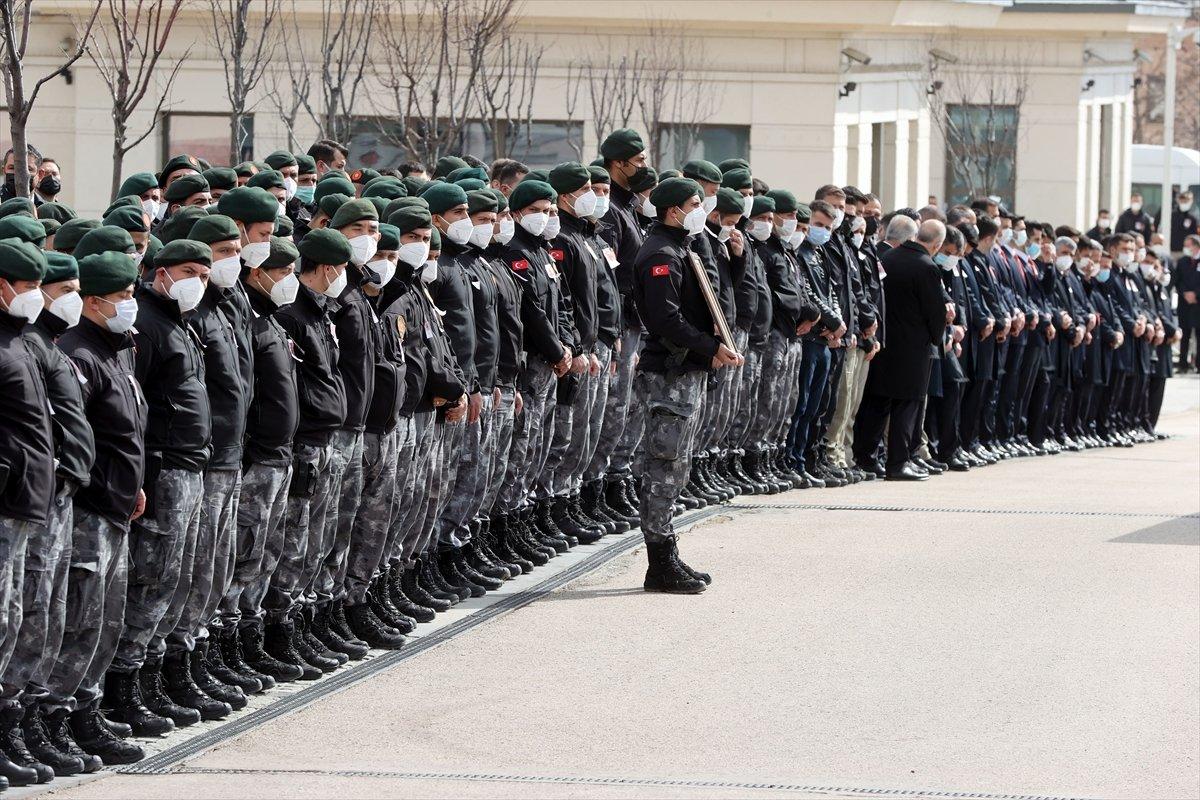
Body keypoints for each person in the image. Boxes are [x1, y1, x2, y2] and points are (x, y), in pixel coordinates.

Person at [105, 239, 214, 737]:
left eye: (206, 274)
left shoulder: (178, 320)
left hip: (191, 464)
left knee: (177, 580)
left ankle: (153, 679)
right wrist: (145, 477)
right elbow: (138, 412)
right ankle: (125, 687)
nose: (200, 282)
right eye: (190, 271)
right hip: (165, 469)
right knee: (151, 580)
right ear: (162, 273)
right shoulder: (146, 323)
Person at [2, 253, 94, 782]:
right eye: (29, 285)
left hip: (33, 501)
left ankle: (20, 724)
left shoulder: (24, 343)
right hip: (13, 500)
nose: (37, 296)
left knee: (26, 619)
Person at [631, 177, 741, 594]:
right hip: (670, 375)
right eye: (695, 203)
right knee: (664, 465)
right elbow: (664, 319)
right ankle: (659, 563)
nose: (701, 209)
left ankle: (667, 553)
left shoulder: (680, 247)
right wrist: (710, 346)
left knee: (676, 466)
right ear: (673, 209)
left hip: (686, 373)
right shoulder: (661, 253)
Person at [852, 221, 949, 480]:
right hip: (913, 347)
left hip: (885, 342)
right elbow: (935, 312)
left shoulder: (889, 257)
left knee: (879, 401)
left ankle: (867, 458)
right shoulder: (927, 267)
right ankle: (898, 462)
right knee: (907, 406)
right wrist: (936, 337)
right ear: (937, 245)